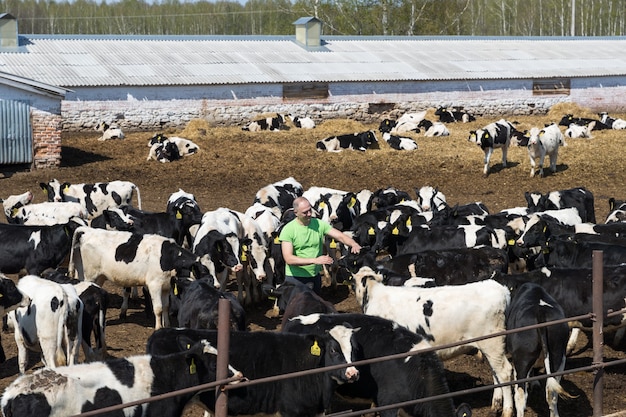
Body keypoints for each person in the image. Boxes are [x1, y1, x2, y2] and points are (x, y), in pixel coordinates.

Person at [279, 196, 362, 295]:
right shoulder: (288, 230)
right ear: (296, 213)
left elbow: (340, 236)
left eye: (310, 210)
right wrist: (315, 260)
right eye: (305, 212)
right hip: (296, 279)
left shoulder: (318, 224)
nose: (309, 214)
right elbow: (289, 259)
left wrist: (353, 244)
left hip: (315, 277)